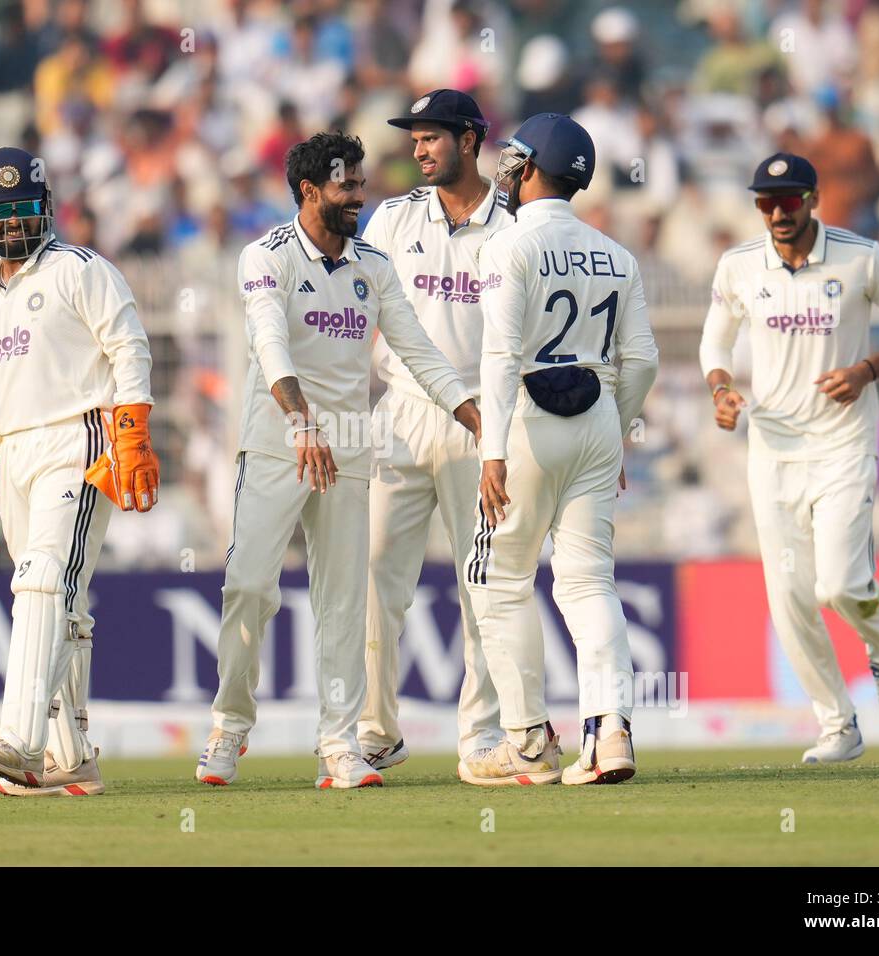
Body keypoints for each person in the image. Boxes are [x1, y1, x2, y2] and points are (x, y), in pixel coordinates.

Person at [195, 132, 480, 790]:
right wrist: (301, 423)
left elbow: (419, 350)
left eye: (361, 183)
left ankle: (340, 744)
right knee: (249, 586)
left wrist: (474, 418)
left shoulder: (373, 267)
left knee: (345, 600)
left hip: (348, 446)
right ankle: (229, 728)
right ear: (309, 191)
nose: (360, 196)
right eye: (347, 186)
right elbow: (269, 342)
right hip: (277, 442)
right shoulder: (264, 258)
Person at [700, 152, 879, 763]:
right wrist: (722, 389)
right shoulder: (740, 266)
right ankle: (838, 724)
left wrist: (865, 370)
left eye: (789, 200)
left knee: (838, 584)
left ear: (813, 200)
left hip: (843, 443)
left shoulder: (861, 256)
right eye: (765, 203)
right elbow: (715, 340)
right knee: (790, 597)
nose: (777, 212)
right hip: (772, 450)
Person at [464, 113, 658, 787]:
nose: (506, 171)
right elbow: (644, 362)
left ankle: (527, 742)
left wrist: (492, 451)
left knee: (496, 578)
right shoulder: (617, 254)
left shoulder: (508, 245)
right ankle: (610, 734)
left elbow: (498, 354)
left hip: (526, 421)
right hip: (598, 416)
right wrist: (616, 426)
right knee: (588, 581)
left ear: (535, 166)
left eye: (515, 160)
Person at [0, 147, 157, 796]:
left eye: (24, 210)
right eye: (0, 213)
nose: (13, 225)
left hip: (81, 437)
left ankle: (21, 742)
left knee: (41, 579)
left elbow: (129, 345)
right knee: (58, 600)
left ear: (46, 208)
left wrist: (132, 429)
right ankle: (72, 757)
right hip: (13, 453)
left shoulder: (80, 269)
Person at [357, 89, 510, 773]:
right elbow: (353, 306)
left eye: (432, 137)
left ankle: (479, 737)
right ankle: (375, 731)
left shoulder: (516, 224)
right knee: (372, 579)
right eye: (414, 138)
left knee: (484, 583)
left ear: (471, 140)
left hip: (485, 420)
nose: (418, 150)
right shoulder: (391, 218)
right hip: (402, 416)